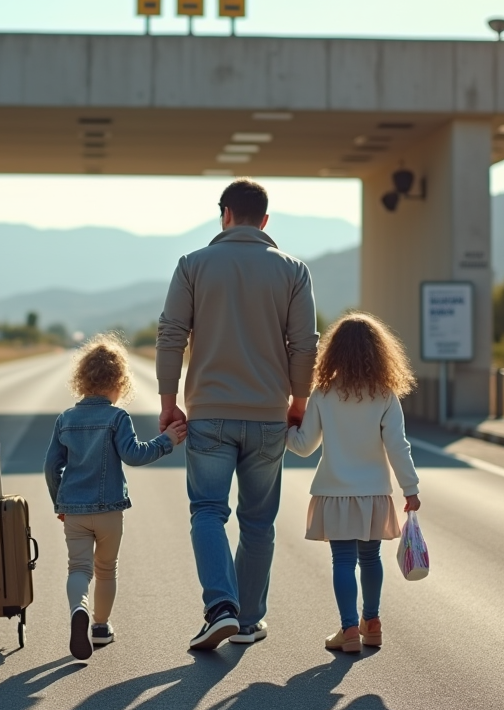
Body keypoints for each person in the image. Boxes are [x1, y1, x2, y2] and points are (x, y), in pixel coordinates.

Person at [156, 178, 319, 650]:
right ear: (265, 221)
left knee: (207, 510)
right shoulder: (294, 271)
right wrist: (299, 402)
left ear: (224, 214)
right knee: (258, 521)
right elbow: (304, 344)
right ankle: (247, 621)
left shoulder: (193, 265)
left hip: (209, 413)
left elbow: (171, 334)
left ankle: (219, 608)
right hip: (269, 415)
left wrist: (169, 402)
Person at [45, 334, 187, 661]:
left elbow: (51, 466)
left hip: (75, 510)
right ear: (120, 382)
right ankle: (100, 626)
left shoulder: (65, 419)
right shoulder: (117, 418)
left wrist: (60, 503)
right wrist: (166, 441)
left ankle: (77, 610)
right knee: (106, 568)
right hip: (110, 511)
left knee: (78, 568)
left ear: (82, 379)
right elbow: (134, 455)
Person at [285, 312, 421, 653]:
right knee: (371, 558)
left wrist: (288, 427)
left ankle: (348, 632)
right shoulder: (386, 396)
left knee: (342, 561)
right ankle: (371, 624)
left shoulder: (324, 395)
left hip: (334, 491)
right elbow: (397, 447)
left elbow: (303, 447)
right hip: (373, 492)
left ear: (334, 353)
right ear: (380, 352)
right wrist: (411, 489)